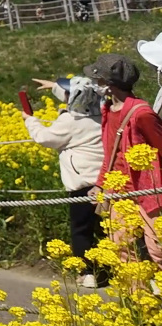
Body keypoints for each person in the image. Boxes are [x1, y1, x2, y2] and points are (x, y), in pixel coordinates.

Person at [24, 73, 107, 286]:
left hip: (82, 184)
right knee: (105, 228)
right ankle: (109, 269)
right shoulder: (102, 115)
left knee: (81, 230)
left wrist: (31, 121)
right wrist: (54, 86)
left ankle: (88, 274)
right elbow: (81, 97)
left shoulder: (70, 120)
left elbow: (45, 138)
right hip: (105, 182)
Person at [89, 53, 162, 264]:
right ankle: (136, 297)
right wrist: (100, 185)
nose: (95, 83)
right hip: (119, 193)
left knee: (158, 250)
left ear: (109, 84)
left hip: (150, 192)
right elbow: (111, 154)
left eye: (98, 79)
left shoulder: (142, 114)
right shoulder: (108, 111)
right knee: (122, 250)